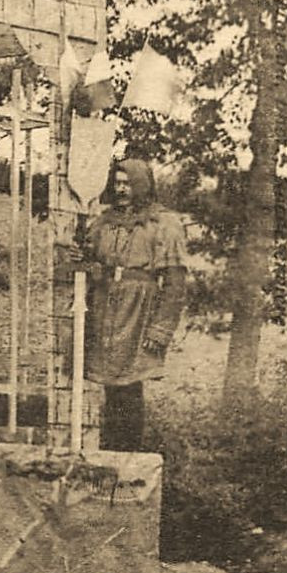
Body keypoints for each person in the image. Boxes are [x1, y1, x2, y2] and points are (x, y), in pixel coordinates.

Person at [76, 158, 188, 452]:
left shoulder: (164, 223)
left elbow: (175, 283)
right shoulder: (104, 221)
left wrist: (160, 329)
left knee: (129, 387)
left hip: (138, 311)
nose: (122, 189)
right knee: (111, 388)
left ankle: (128, 460)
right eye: (118, 183)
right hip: (105, 307)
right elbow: (91, 258)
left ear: (142, 185)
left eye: (128, 183)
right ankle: (110, 455)